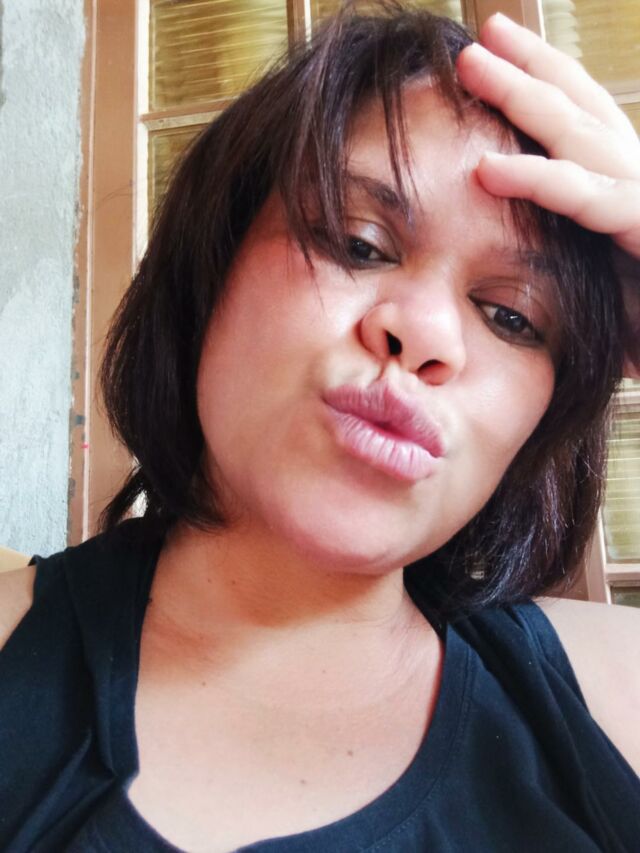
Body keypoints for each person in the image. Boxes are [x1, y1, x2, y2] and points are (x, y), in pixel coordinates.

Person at [1, 5, 639, 851]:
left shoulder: (615, 699)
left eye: (512, 317)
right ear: (215, 261)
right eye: (360, 242)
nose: (426, 334)